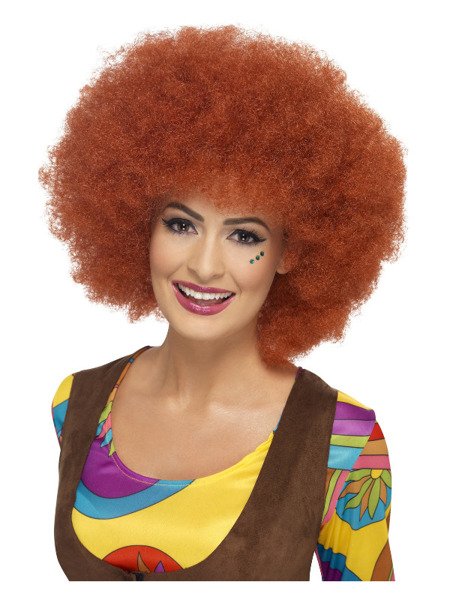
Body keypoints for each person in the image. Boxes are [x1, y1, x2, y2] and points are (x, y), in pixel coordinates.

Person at [40, 24, 405, 581]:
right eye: (181, 224)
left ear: (290, 251)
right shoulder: (77, 404)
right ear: (140, 225)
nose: (205, 265)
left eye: (244, 235)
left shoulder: (344, 444)